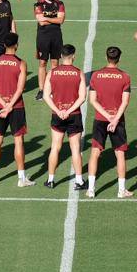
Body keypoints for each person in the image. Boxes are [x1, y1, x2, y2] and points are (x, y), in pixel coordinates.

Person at [0, 33, 33, 187]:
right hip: (16, 107)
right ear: (16, 45)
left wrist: (3, 104)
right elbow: (20, 89)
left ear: (5, 45)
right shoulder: (21, 63)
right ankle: (21, 179)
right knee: (18, 141)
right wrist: (10, 105)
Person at [87, 46, 133, 199]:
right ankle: (121, 190)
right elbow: (125, 102)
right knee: (120, 155)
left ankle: (91, 189)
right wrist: (114, 119)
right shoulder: (125, 77)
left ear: (106, 57)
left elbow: (92, 100)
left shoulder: (96, 76)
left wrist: (107, 116)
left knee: (95, 153)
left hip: (100, 119)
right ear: (119, 59)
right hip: (117, 120)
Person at [43, 44, 87, 189]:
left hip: (57, 114)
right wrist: (68, 111)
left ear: (61, 56)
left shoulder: (52, 72)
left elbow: (45, 96)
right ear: (73, 56)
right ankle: (79, 181)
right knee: (75, 149)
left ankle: (50, 180)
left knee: (55, 147)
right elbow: (82, 98)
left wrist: (59, 110)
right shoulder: (78, 73)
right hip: (74, 115)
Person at [34, 0, 66, 101]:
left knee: (55, 63)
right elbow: (40, 22)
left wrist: (46, 18)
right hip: (43, 37)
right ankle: (42, 90)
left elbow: (61, 20)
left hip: (56, 36)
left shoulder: (59, 3)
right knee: (42, 63)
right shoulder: (38, 4)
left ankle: (52, 88)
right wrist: (54, 18)